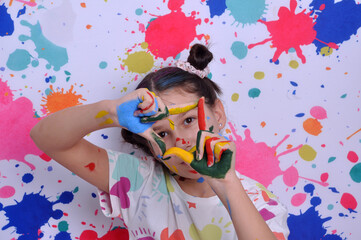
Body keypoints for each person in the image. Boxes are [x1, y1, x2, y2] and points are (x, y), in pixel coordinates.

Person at [31, 44, 289, 240]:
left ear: (218, 114)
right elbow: (46, 138)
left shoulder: (259, 202)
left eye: (189, 120)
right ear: (150, 146)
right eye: (162, 133)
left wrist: (227, 184)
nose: (182, 141)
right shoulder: (137, 181)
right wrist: (109, 112)